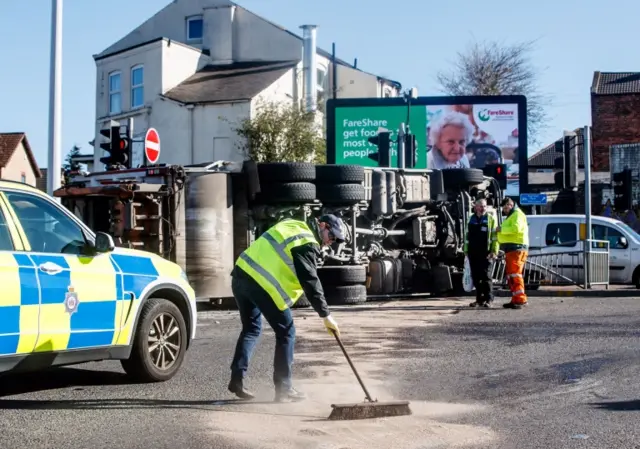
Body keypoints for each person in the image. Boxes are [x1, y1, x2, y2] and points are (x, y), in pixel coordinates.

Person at [228, 214, 343, 402]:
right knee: (287, 332)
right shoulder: (307, 242)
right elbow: (310, 281)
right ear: (322, 225)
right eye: (332, 237)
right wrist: (325, 315)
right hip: (261, 284)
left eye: (335, 240)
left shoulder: (293, 224)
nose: (332, 242)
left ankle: (237, 380)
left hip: (241, 274)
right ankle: (284, 389)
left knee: (251, 329)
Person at [463, 198, 499, 308]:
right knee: (476, 277)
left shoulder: (490, 219)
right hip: (473, 252)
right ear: (476, 207)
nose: (483, 208)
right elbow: (466, 236)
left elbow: (495, 237)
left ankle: (489, 299)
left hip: (486, 253)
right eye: (481, 206)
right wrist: (466, 251)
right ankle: (479, 300)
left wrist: (494, 251)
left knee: (486, 277)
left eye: (484, 206)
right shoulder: (471, 219)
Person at [497, 198, 529, 309]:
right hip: (513, 249)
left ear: (510, 204)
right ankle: (516, 299)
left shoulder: (517, 214)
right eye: (503, 208)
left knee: (515, 274)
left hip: (516, 248)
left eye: (505, 207)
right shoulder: (513, 215)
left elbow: (516, 228)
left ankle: (520, 299)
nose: (504, 210)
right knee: (512, 275)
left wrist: (501, 229)